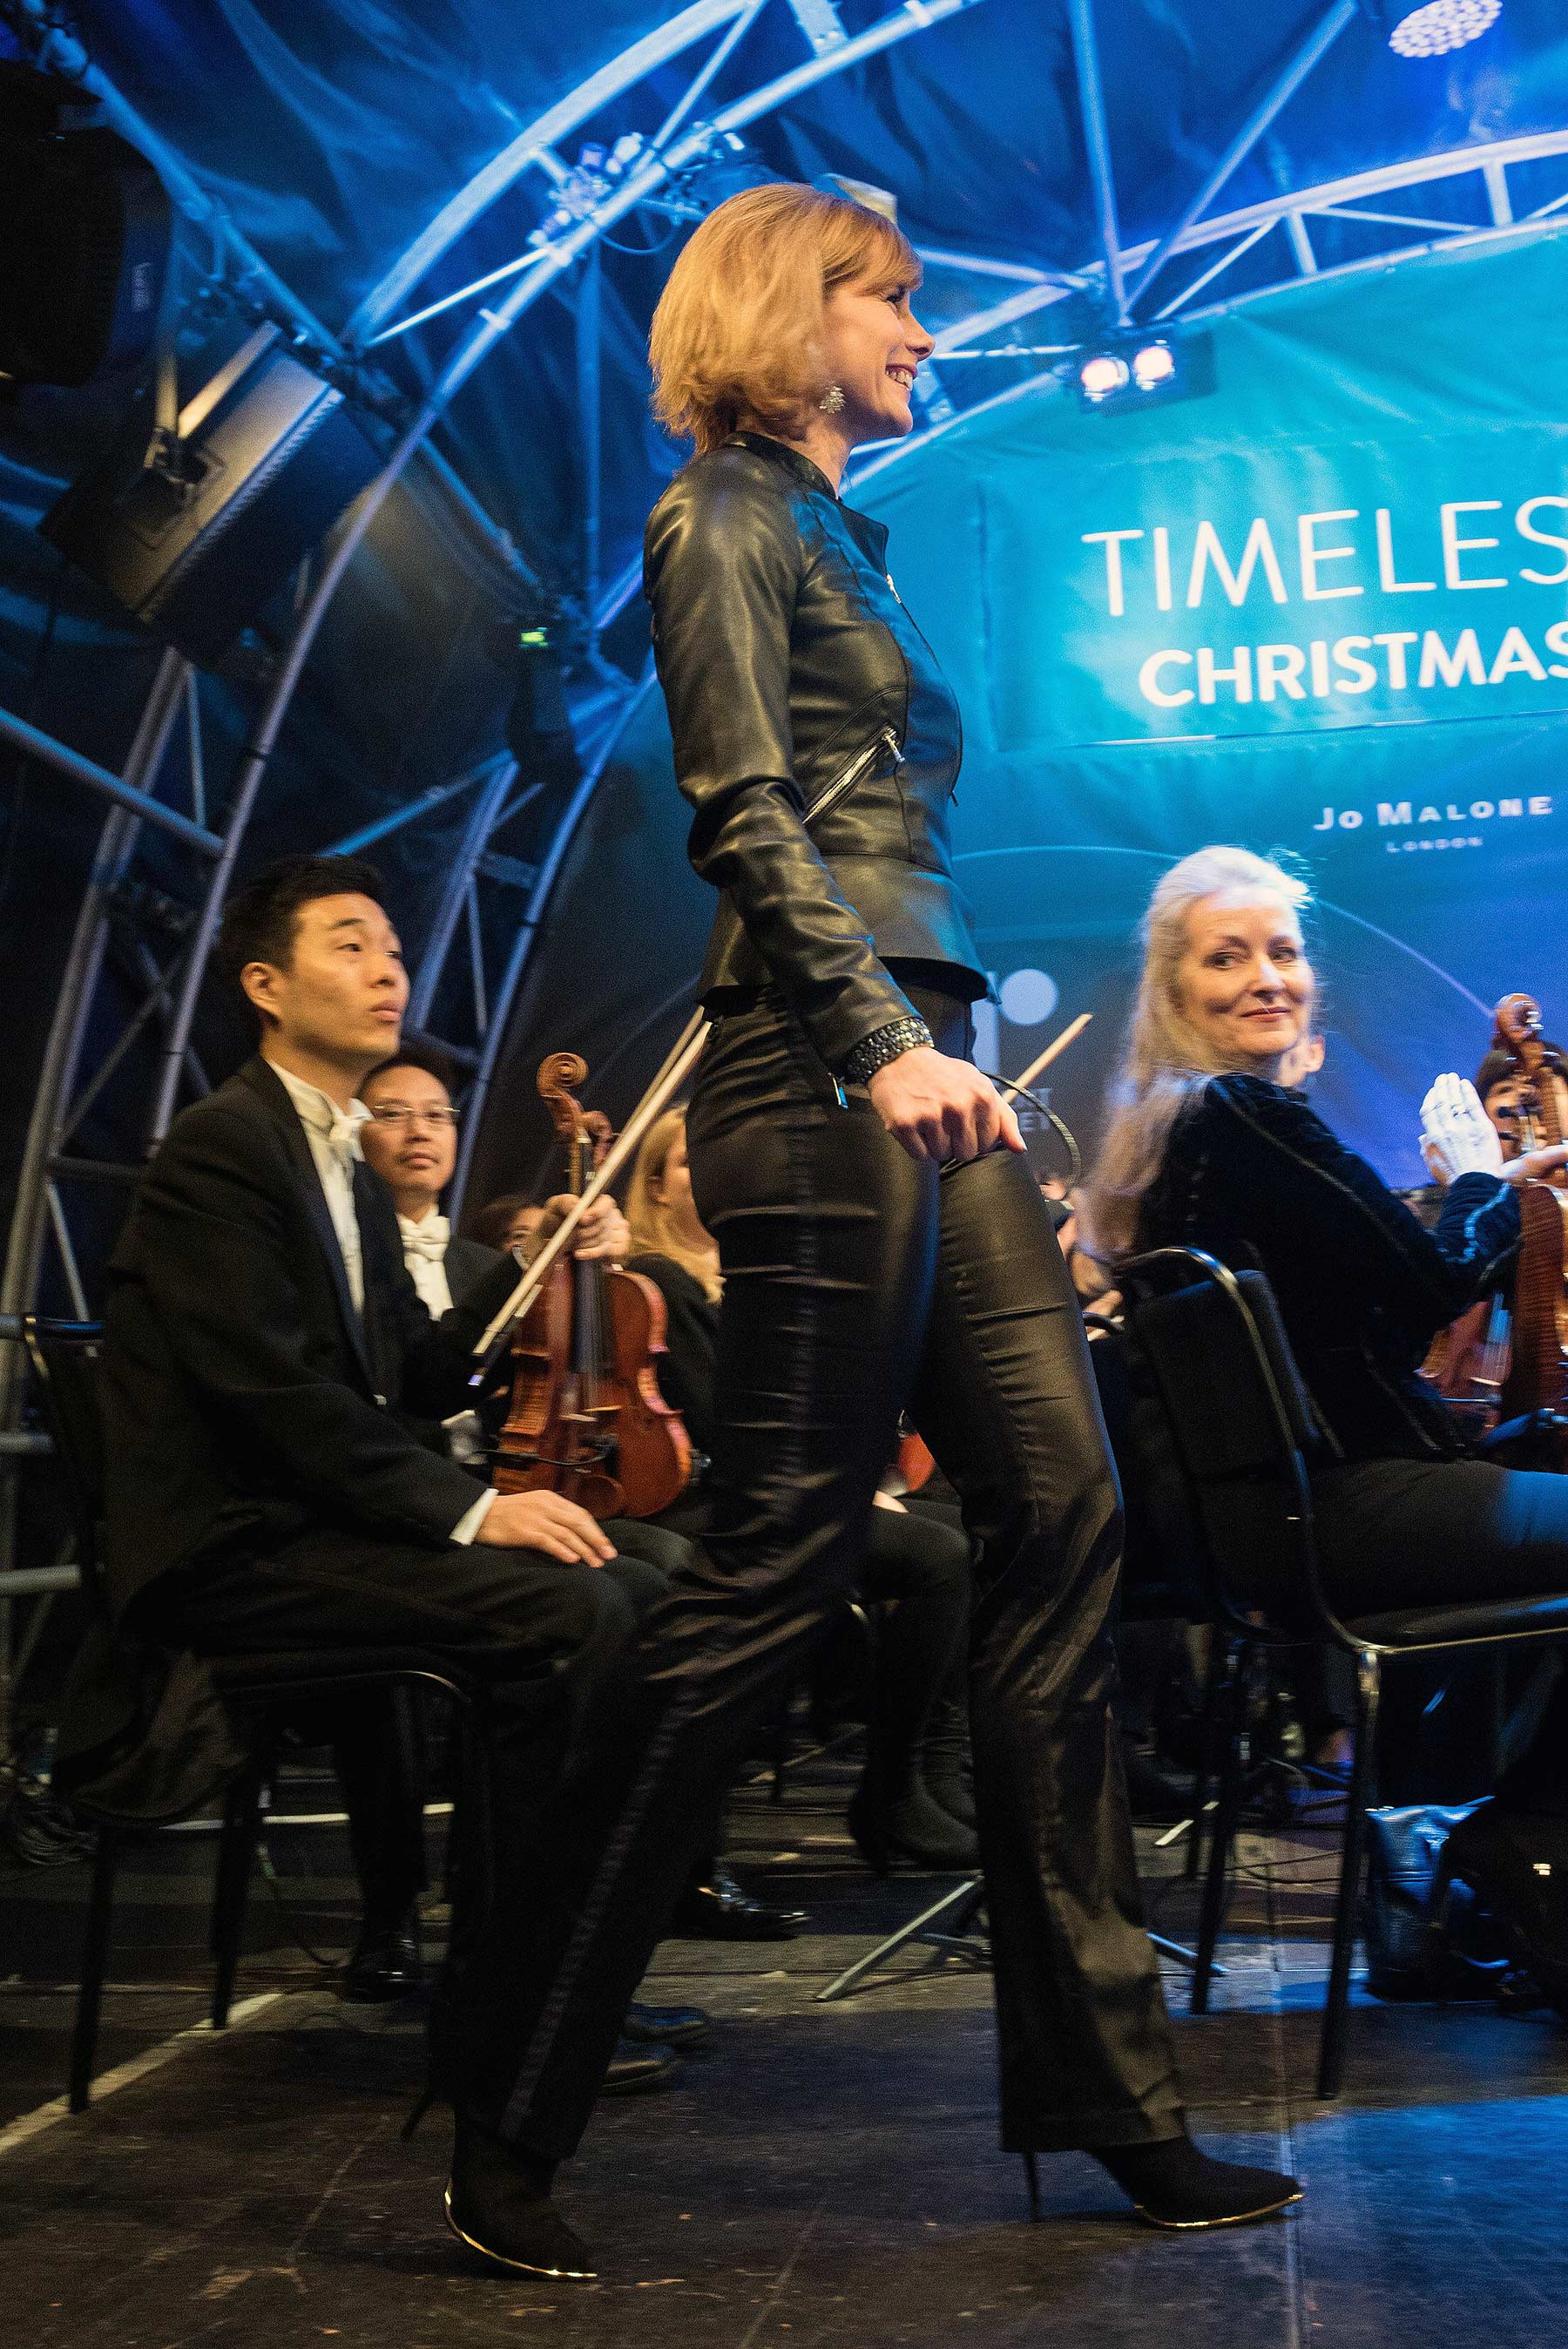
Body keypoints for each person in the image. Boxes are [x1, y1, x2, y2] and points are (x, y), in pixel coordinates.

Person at [442, 185, 1296, 2285]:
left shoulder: (841, 530)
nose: (925, 329)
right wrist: (872, 1040)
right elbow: (736, 805)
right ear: (782, 313)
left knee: (1063, 1511)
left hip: (925, 1057)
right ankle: (514, 2087)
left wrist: (929, 1047)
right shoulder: (722, 511)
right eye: (890, 297)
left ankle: (1114, 2097)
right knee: (771, 1577)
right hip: (826, 1070)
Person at [97, 856, 682, 2113]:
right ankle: (507, 2017)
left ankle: (543, 1977)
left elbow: (407, 1381)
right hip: (231, 1548)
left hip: (311, 1523)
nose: (389, 969)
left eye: (396, 951)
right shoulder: (223, 1151)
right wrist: (475, 1508)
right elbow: (275, 1399)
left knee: (643, 1580)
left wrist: (519, 1270)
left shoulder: (346, 1162)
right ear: (265, 984)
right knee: (576, 1609)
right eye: (351, 945)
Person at [1081, 843, 1568, 1991]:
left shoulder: (1171, 1129)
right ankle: (1511, 1840)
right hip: (1336, 1510)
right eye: (1228, 957)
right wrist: (1476, 1175)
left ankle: (1428, 1861)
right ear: (1174, 987)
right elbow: (1434, 1282)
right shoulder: (1249, 1119)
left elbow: (1372, 1326)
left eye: (1285, 952)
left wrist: (1491, 1189)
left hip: (1271, 1522)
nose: (1267, 976)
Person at [625, 1105, 977, 1868]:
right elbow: (728, 1426)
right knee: (936, 1558)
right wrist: (841, 1486)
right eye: (691, 1162)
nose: (715, 1172)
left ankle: (934, 1770)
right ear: (654, 1188)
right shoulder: (654, 1281)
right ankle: (893, 1792)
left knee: (968, 1524)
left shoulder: (759, 1273)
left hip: (770, 1488)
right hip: (709, 1502)